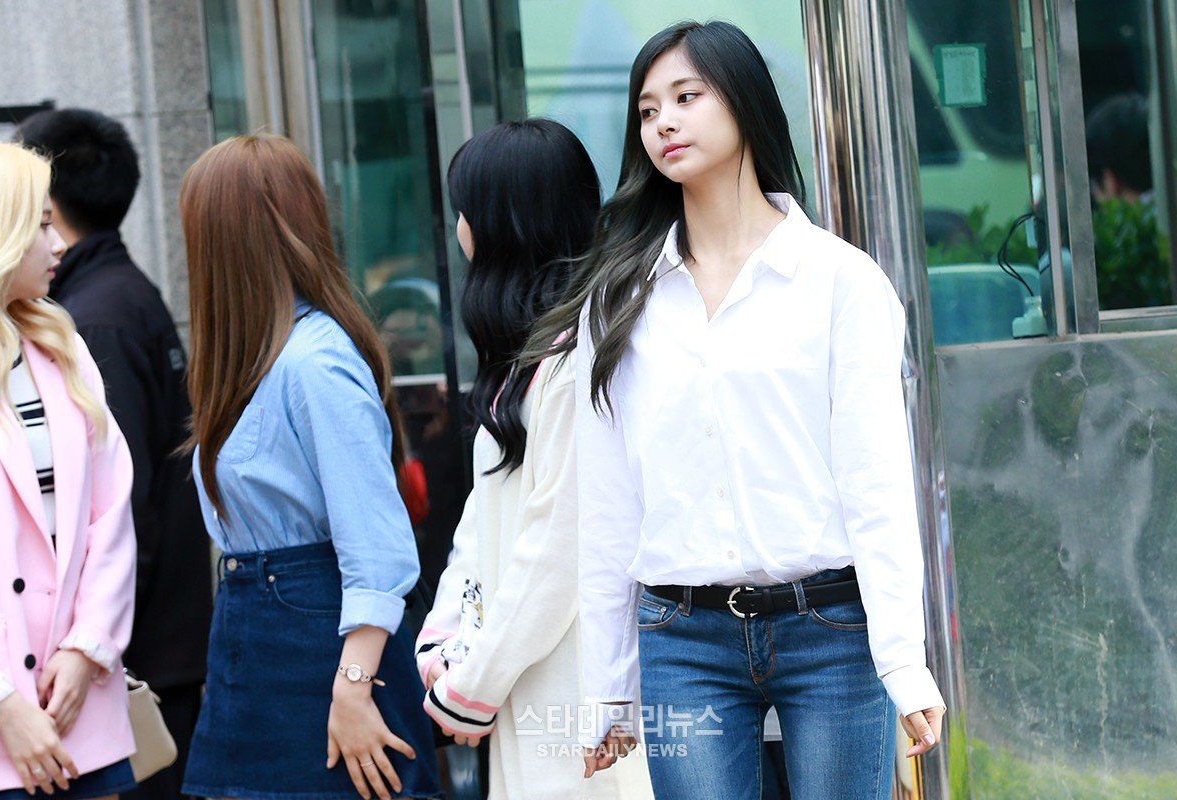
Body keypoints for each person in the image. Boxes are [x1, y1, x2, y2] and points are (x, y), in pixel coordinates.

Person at [523, 21, 946, 800]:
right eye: (648, 110)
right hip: (682, 639)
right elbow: (609, 506)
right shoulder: (620, 301)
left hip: (830, 629)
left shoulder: (840, 281)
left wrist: (903, 659)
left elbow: (877, 484)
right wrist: (608, 688)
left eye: (686, 97)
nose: (664, 122)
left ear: (745, 103)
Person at [176, 134, 441, 800]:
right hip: (257, 635)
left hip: (320, 643)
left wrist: (352, 689)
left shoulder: (313, 362)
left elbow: (377, 548)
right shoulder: (257, 359)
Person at [413, 120, 651, 799]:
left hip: (573, 693)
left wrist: (472, 683)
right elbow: (486, 516)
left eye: (465, 211)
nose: (459, 230)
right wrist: (448, 640)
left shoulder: (578, 362)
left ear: (504, 224)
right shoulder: (535, 359)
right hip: (533, 681)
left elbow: (556, 550)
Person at [14, 108, 213, 800]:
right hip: (147, 647)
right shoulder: (123, 293)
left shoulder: (91, 322)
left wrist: (91, 645)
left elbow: (117, 509)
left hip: (128, 661)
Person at [0, 141, 137, 799]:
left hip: (78, 709)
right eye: (39, 224)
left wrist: (86, 648)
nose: (58, 243)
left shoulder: (60, 345)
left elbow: (111, 512)